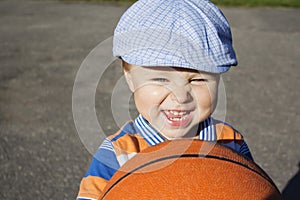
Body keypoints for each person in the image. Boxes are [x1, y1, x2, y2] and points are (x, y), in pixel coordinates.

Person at [77, 0, 253, 199]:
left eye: (197, 79)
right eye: (160, 79)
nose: (180, 96)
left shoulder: (231, 142)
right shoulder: (118, 154)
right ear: (130, 79)